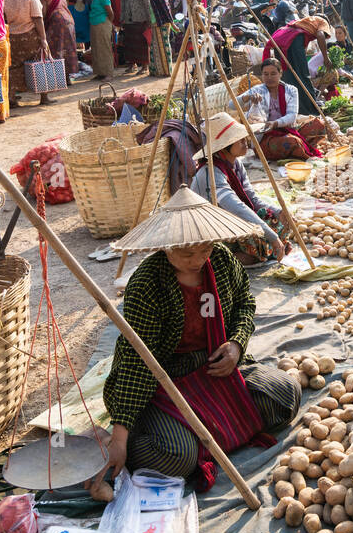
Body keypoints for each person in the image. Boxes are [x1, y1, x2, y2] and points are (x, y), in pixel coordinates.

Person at [103, 186, 302, 484]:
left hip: (215, 366)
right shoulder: (146, 285)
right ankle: (148, 431)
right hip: (164, 379)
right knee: (176, 456)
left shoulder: (221, 260)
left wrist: (235, 345)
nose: (197, 259)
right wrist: (119, 436)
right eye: (187, 253)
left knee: (285, 394)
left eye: (205, 249)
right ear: (167, 246)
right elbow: (138, 360)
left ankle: (205, 432)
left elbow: (244, 304)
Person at [188, 112, 297, 266]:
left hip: (231, 220)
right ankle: (221, 258)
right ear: (224, 147)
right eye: (238, 140)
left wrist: (279, 212)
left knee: (274, 218)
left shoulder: (236, 164)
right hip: (211, 228)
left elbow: (251, 199)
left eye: (243, 137)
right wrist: (272, 237)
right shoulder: (210, 173)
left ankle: (265, 251)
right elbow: (236, 208)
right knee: (258, 243)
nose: (245, 142)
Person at [236, 58, 328, 160]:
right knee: (292, 142)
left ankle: (296, 148)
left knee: (319, 124)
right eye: (265, 74)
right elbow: (232, 105)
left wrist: (275, 123)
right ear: (262, 75)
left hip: (287, 130)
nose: (269, 77)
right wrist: (247, 97)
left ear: (280, 73)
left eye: (273, 73)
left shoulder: (291, 90)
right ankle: (296, 149)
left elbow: (292, 116)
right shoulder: (257, 90)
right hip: (265, 138)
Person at [261, 15, 330, 118]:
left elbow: (304, 47)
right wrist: (326, 58)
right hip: (291, 40)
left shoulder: (305, 22)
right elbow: (320, 35)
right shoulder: (322, 21)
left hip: (281, 39)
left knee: (287, 76)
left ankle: (292, 109)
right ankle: (310, 110)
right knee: (302, 76)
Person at [2, 0, 51, 107]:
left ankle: (11, 98)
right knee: (40, 63)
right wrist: (43, 38)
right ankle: (44, 97)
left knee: (13, 67)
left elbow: (3, 16)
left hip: (11, 36)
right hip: (30, 35)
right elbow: (37, 17)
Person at [31, 0, 81, 80]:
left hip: (57, 22)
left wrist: (39, 26)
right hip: (68, 20)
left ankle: (59, 78)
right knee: (67, 48)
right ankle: (67, 77)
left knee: (56, 48)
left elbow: (42, 12)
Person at [118, 0, 151, 73]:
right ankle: (132, 65)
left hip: (140, 19)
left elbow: (147, 4)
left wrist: (149, 20)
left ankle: (145, 66)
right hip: (128, 20)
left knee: (141, 44)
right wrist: (122, 19)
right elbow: (122, 5)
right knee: (130, 44)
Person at [83, 0, 116, 80]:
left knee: (104, 48)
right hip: (95, 24)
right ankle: (100, 72)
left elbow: (110, 13)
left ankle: (108, 73)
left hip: (102, 24)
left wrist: (108, 23)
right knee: (96, 48)